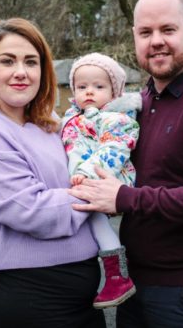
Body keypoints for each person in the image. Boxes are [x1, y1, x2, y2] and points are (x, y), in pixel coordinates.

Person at [69, 0, 183, 327]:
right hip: (140, 286)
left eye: (168, 30)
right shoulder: (141, 103)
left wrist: (125, 198)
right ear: (134, 37)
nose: (156, 41)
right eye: (145, 32)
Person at [0, 18, 106, 328]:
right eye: (8, 61)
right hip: (23, 299)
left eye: (31, 62)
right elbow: (32, 210)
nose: (21, 71)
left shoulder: (49, 122)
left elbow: (91, 162)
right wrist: (96, 194)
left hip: (80, 302)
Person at [61, 52, 141, 309]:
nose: (89, 92)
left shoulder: (118, 119)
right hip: (83, 180)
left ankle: (118, 277)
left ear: (114, 91)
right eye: (82, 87)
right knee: (91, 223)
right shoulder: (73, 118)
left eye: (98, 86)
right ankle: (113, 278)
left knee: (95, 220)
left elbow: (113, 151)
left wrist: (86, 173)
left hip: (110, 178)